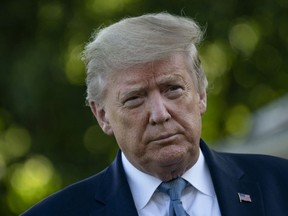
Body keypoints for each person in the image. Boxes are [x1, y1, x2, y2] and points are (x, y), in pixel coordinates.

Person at [22, 12, 288, 216]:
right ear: (102, 116)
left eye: (172, 88)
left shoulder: (280, 185)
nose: (160, 114)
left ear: (201, 95)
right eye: (135, 98)